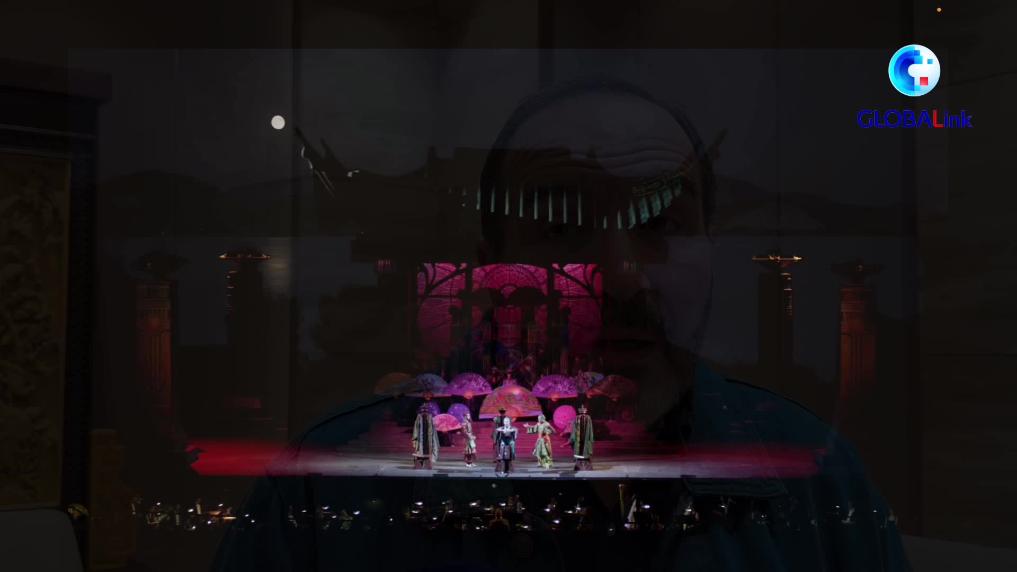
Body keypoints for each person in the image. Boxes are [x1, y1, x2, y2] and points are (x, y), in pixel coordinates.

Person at [214, 77, 910, 571]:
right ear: (491, 265)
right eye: (560, 226)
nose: (622, 276)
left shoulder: (819, 480)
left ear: (709, 246)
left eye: (662, 224)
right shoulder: (325, 490)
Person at [411, 403, 439, 469]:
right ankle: (419, 463)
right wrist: (415, 438)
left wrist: (433, 438)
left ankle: (428, 463)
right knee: (419, 450)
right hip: (420, 437)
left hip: (428, 438)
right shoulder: (419, 418)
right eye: (423, 411)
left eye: (426, 411)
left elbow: (433, 428)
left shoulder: (430, 417)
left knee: (428, 450)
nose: (424, 412)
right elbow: (416, 428)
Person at [569, 404, 595, 471]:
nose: (583, 414)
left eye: (584, 412)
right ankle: (579, 464)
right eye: (582, 412)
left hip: (586, 436)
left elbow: (590, 428)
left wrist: (591, 437)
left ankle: (586, 463)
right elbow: (574, 428)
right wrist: (573, 437)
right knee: (579, 448)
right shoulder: (577, 418)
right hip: (579, 436)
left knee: (585, 448)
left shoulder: (588, 418)